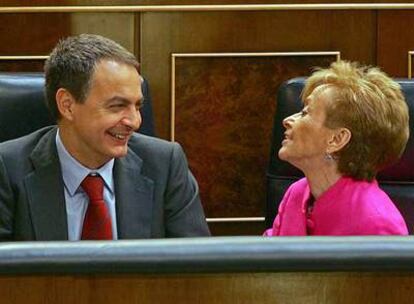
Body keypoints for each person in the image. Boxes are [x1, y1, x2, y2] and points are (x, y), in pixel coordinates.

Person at [0, 34, 210, 241]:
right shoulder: (8, 170)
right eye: (117, 106)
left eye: (137, 106)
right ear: (67, 105)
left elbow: (198, 267)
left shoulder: (165, 165)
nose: (135, 122)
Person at [264, 60, 409, 236]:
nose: (287, 120)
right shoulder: (297, 193)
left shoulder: (378, 225)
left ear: (337, 139)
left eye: (305, 113)